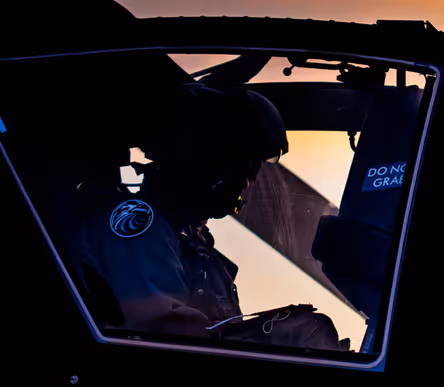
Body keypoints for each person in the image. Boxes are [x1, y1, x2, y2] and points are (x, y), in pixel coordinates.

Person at [70, 82, 346, 350]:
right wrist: (281, 336)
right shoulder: (137, 224)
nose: (245, 186)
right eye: (242, 172)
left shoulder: (189, 237)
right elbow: (165, 336)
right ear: (203, 162)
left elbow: (213, 331)